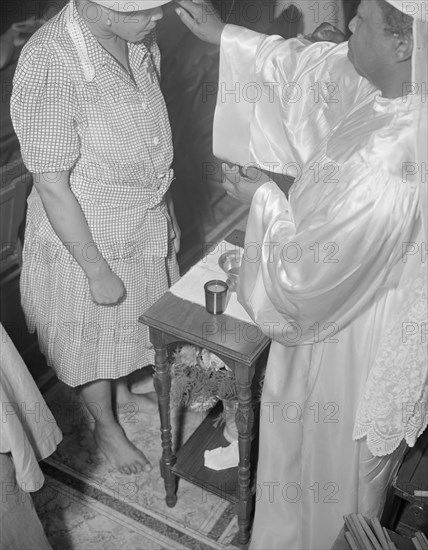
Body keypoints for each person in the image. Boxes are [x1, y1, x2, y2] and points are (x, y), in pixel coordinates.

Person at [175, 0, 427, 548]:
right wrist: (229, 38)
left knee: (321, 470)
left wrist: (263, 198)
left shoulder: (392, 166)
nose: (348, 31)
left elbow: (305, 281)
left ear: (404, 45)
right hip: (347, 302)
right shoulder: (402, 92)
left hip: (346, 336)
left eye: (362, 24)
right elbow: (314, 69)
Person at [10, 0, 181, 475]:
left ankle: (122, 391)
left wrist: (164, 208)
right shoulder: (51, 62)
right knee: (91, 338)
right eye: (148, 10)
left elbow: (146, 130)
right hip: (89, 232)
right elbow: (50, 184)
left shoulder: (137, 38)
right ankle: (104, 424)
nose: (159, 16)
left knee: (125, 326)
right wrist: (95, 268)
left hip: (137, 215)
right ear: (103, 11)